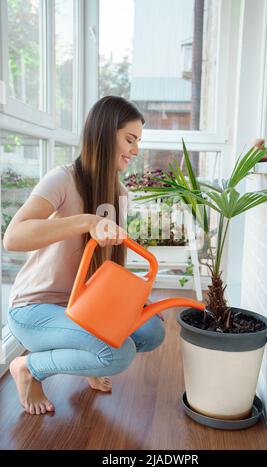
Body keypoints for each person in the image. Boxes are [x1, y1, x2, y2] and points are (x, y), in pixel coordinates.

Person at [4, 96, 165, 416]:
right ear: (105, 133)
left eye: (138, 142)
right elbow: (13, 237)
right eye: (129, 139)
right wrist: (86, 221)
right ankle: (28, 366)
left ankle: (86, 355)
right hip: (33, 309)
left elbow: (107, 267)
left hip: (80, 306)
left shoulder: (119, 193)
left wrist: (135, 304)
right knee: (118, 353)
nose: (135, 150)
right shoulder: (62, 178)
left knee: (151, 331)